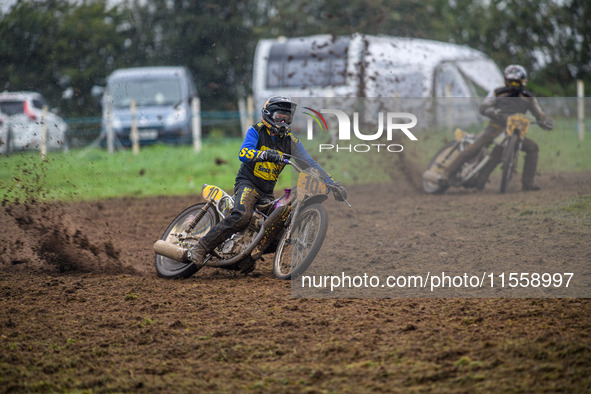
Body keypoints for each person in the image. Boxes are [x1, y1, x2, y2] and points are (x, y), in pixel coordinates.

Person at [189, 96, 347, 271]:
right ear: (268, 115)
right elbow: (243, 153)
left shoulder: (292, 142)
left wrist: (333, 184)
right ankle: (201, 247)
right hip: (248, 183)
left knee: (277, 231)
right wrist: (264, 154)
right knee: (242, 216)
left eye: (287, 118)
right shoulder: (256, 130)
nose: (283, 121)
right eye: (280, 116)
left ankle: (246, 256)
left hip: (267, 193)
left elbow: (311, 164)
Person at [440, 64, 554, 191]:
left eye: (516, 82)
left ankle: (528, 183)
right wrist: (494, 113)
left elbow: (539, 114)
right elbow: (483, 107)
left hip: (515, 132)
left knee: (532, 147)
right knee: (477, 146)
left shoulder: (529, 98)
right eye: (511, 82)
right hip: (495, 127)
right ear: (506, 81)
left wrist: (545, 121)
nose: (514, 85)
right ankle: (447, 173)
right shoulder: (498, 92)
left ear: (523, 82)